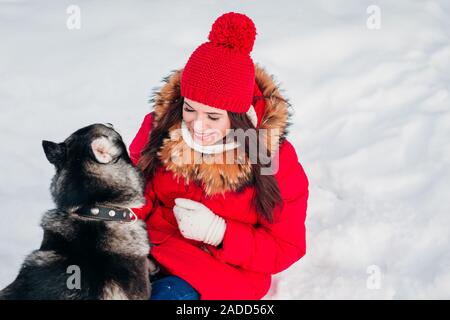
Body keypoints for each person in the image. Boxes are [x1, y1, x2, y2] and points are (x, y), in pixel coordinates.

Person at [129, 12, 309, 300]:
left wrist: (220, 233)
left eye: (213, 116)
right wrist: (118, 215)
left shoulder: (272, 158)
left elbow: (286, 246)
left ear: (239, 117)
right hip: (148, 248)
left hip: (214, 273)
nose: (198, 125)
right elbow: (136, 190)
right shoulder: (160, 128)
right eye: (190, 109)